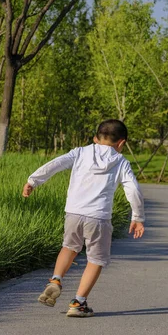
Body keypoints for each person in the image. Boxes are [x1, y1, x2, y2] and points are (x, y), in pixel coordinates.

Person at [22, 119, 145, 317]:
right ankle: (78, 303)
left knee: (69, 247)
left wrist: (33, 181)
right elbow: (133, 189)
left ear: (95, 138)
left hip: (73, 213)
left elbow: (56, 164)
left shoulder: (80, 152)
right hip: (98, 218)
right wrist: (137, 216)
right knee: (96, 259)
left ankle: (55, 279)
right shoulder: (121, 162)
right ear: (121, 143)